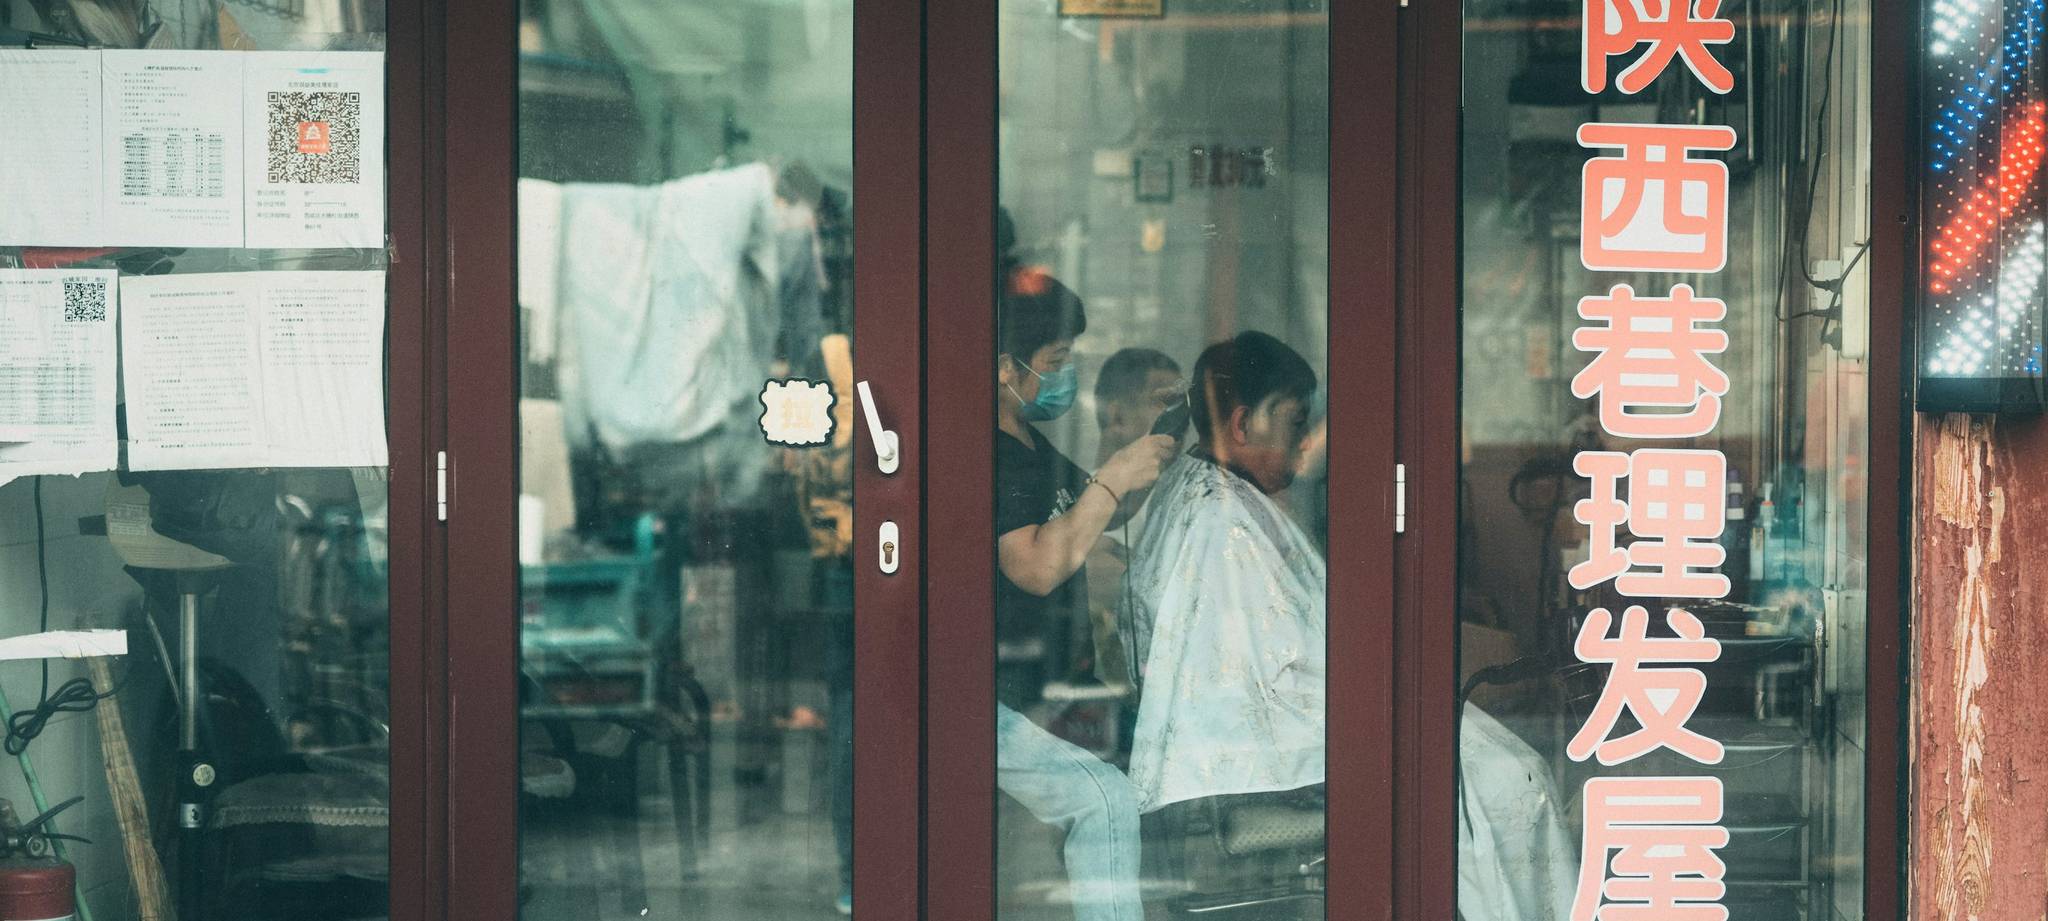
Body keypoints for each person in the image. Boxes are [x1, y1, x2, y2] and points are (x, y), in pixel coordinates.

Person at [993, 254, 1176, 921]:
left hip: (1044, 688)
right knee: (1104, 800)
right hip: (989, 698)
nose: (1064, 375)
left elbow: (1098, 514)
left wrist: (1150, 444)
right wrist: (1117, 474)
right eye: (1056, 359)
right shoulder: (988, 453)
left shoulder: (1030, 443)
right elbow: (1040, 564)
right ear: (1006, 368)